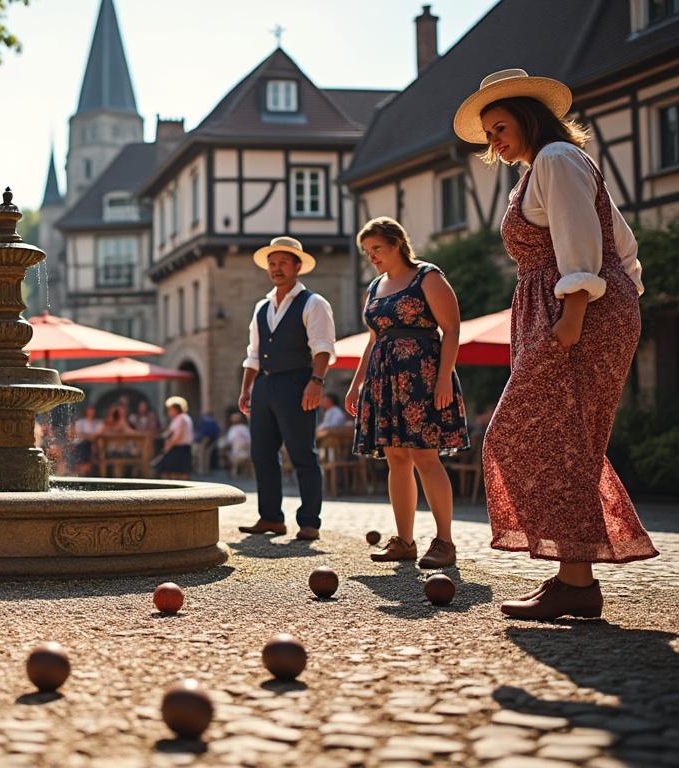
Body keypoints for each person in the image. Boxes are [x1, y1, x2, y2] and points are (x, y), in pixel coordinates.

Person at [453, 69, 656, 619]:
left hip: (575, 313)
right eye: (488, 134)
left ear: (529, 116)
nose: (494, 141)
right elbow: (623, 245)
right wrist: (612, 300)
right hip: (565, 309)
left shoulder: (556, 159)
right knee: (564, 440)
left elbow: (588, 242)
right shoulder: (545, 167)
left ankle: (575, 580)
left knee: (525, 433)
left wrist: (577, 312)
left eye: (500, 127)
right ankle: (574, 580)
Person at [345, 217, 469, 569]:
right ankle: (404, 541)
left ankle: (445, 542)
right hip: (384, 379)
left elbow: (451, 328)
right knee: (396, 458)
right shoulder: (374, 287)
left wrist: (444, 380)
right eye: (367, 251)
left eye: (377, 248)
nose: (372, 256)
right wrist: (356, 384)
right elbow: (373, 340)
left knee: (426, 457)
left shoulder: (427, 277)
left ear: (397, 243)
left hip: (422, 375)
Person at [237, 236, 337, 540]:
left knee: (302, 453)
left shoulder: (314, 303)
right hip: (264, 385)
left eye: (283, 262)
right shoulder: (261, 307)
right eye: (272, 263)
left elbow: (322, 347)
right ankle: (271, 518)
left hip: (297, 382)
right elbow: (253, 354)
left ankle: (309, 522)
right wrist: (246, 389)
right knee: (262, 454)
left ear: (297, 266)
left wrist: (316, 382)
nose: (276, 268)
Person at [153, 396, 194, 480]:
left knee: (177, 473)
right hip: (176, 448)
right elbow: (169, 432)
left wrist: (168, 446)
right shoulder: (177, 419)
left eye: (170, 409)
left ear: (176, 409)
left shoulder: (182, 419)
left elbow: (178, 436)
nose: (168, 412)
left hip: (180, 449)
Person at [69, 405, 103, 475]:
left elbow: (96, 435)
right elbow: (76, 434)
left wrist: (85, 435)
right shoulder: (80, 422)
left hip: (92, 445)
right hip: (80, 444)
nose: (91, 412)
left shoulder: (98, 422)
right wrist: (87, 436)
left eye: (92, 410)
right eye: (89, 410)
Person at [221, 412, 252, 477]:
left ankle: (231, 471)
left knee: (224, 452)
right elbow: (250, 441)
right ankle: (243, 471)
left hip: (235, 455)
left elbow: (228, 442)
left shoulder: (233, 429)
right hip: (248, 455)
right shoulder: (245, 428)